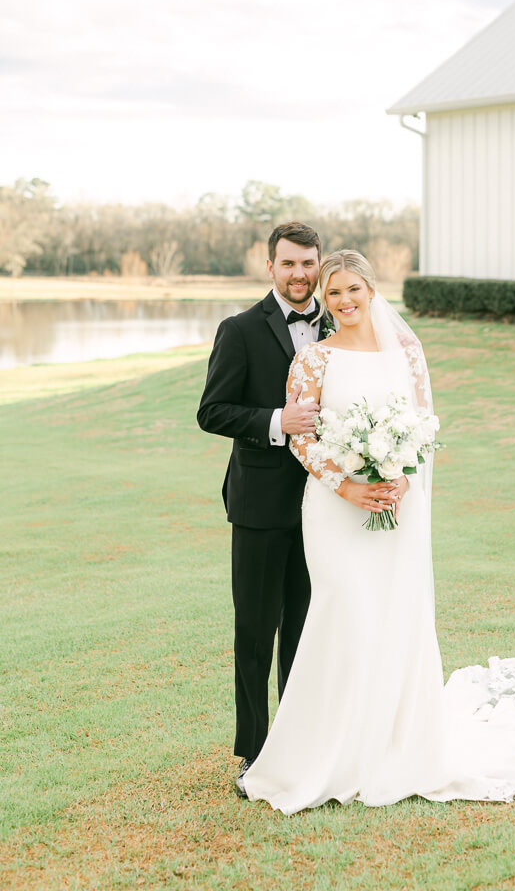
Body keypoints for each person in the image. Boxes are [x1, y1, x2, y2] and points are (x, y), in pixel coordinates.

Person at [239, 249, 515, 812]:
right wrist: (349, 486)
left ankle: (397, 745)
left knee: (397, 614)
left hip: (399, 504)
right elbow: (303, 439)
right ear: (324, 296)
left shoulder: (408, 352)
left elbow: (420, 426)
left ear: (372, 290)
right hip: (334, 508)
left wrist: (397, 476)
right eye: (334, 292)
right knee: (343, 614)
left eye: (354, 290)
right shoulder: (313, 362)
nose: (344, 301)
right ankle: (329, 751)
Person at [197, 221, 332, 792]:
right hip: (259, 505)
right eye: (289, 264)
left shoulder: (342, 323)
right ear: (270, 266)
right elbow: (213, 411)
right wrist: (278, 422)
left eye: (308, 264)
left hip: (327, 507)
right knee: (256, 630)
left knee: (308, 628)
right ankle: (255, 751)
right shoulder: (240, 329)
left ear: (319, 265)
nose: (299, 274)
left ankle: (304, 741)